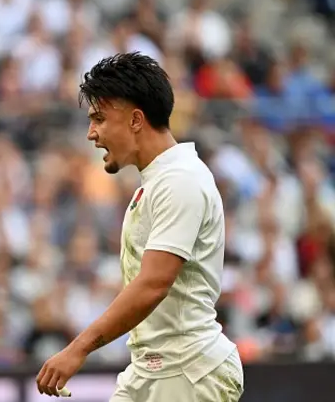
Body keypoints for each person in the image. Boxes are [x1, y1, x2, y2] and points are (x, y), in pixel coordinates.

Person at [35, 52, 244, 401]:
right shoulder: (159, 181)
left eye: (99, 118)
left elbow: (153, 284)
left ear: (135, 120)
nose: (91, 133)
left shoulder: (180, 180)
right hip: (152, 370)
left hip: (188, 372)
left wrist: (78, 349)